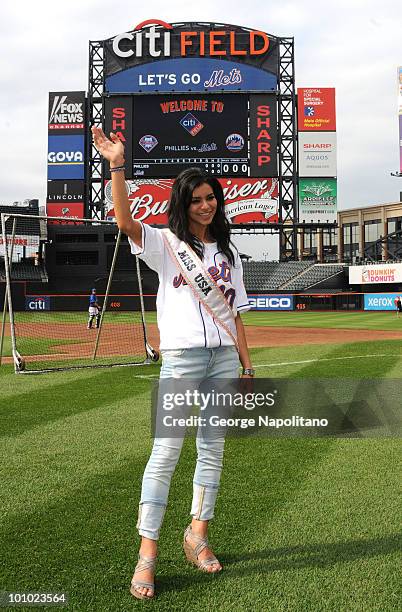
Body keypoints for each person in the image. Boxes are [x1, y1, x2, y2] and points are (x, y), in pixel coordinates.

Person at [91, 126, 254, 601]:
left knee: (213, 450)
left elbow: (237, 314)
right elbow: (124, 222)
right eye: (197, 199)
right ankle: (147, 554)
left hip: (224, 359)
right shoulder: (165, 245)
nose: (206, 206)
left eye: (211, 198)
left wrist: (246, 364)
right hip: (181, 360)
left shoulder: (228, 252)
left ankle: (197, 535)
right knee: (165, 453)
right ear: (182, 205)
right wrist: (118, 166)